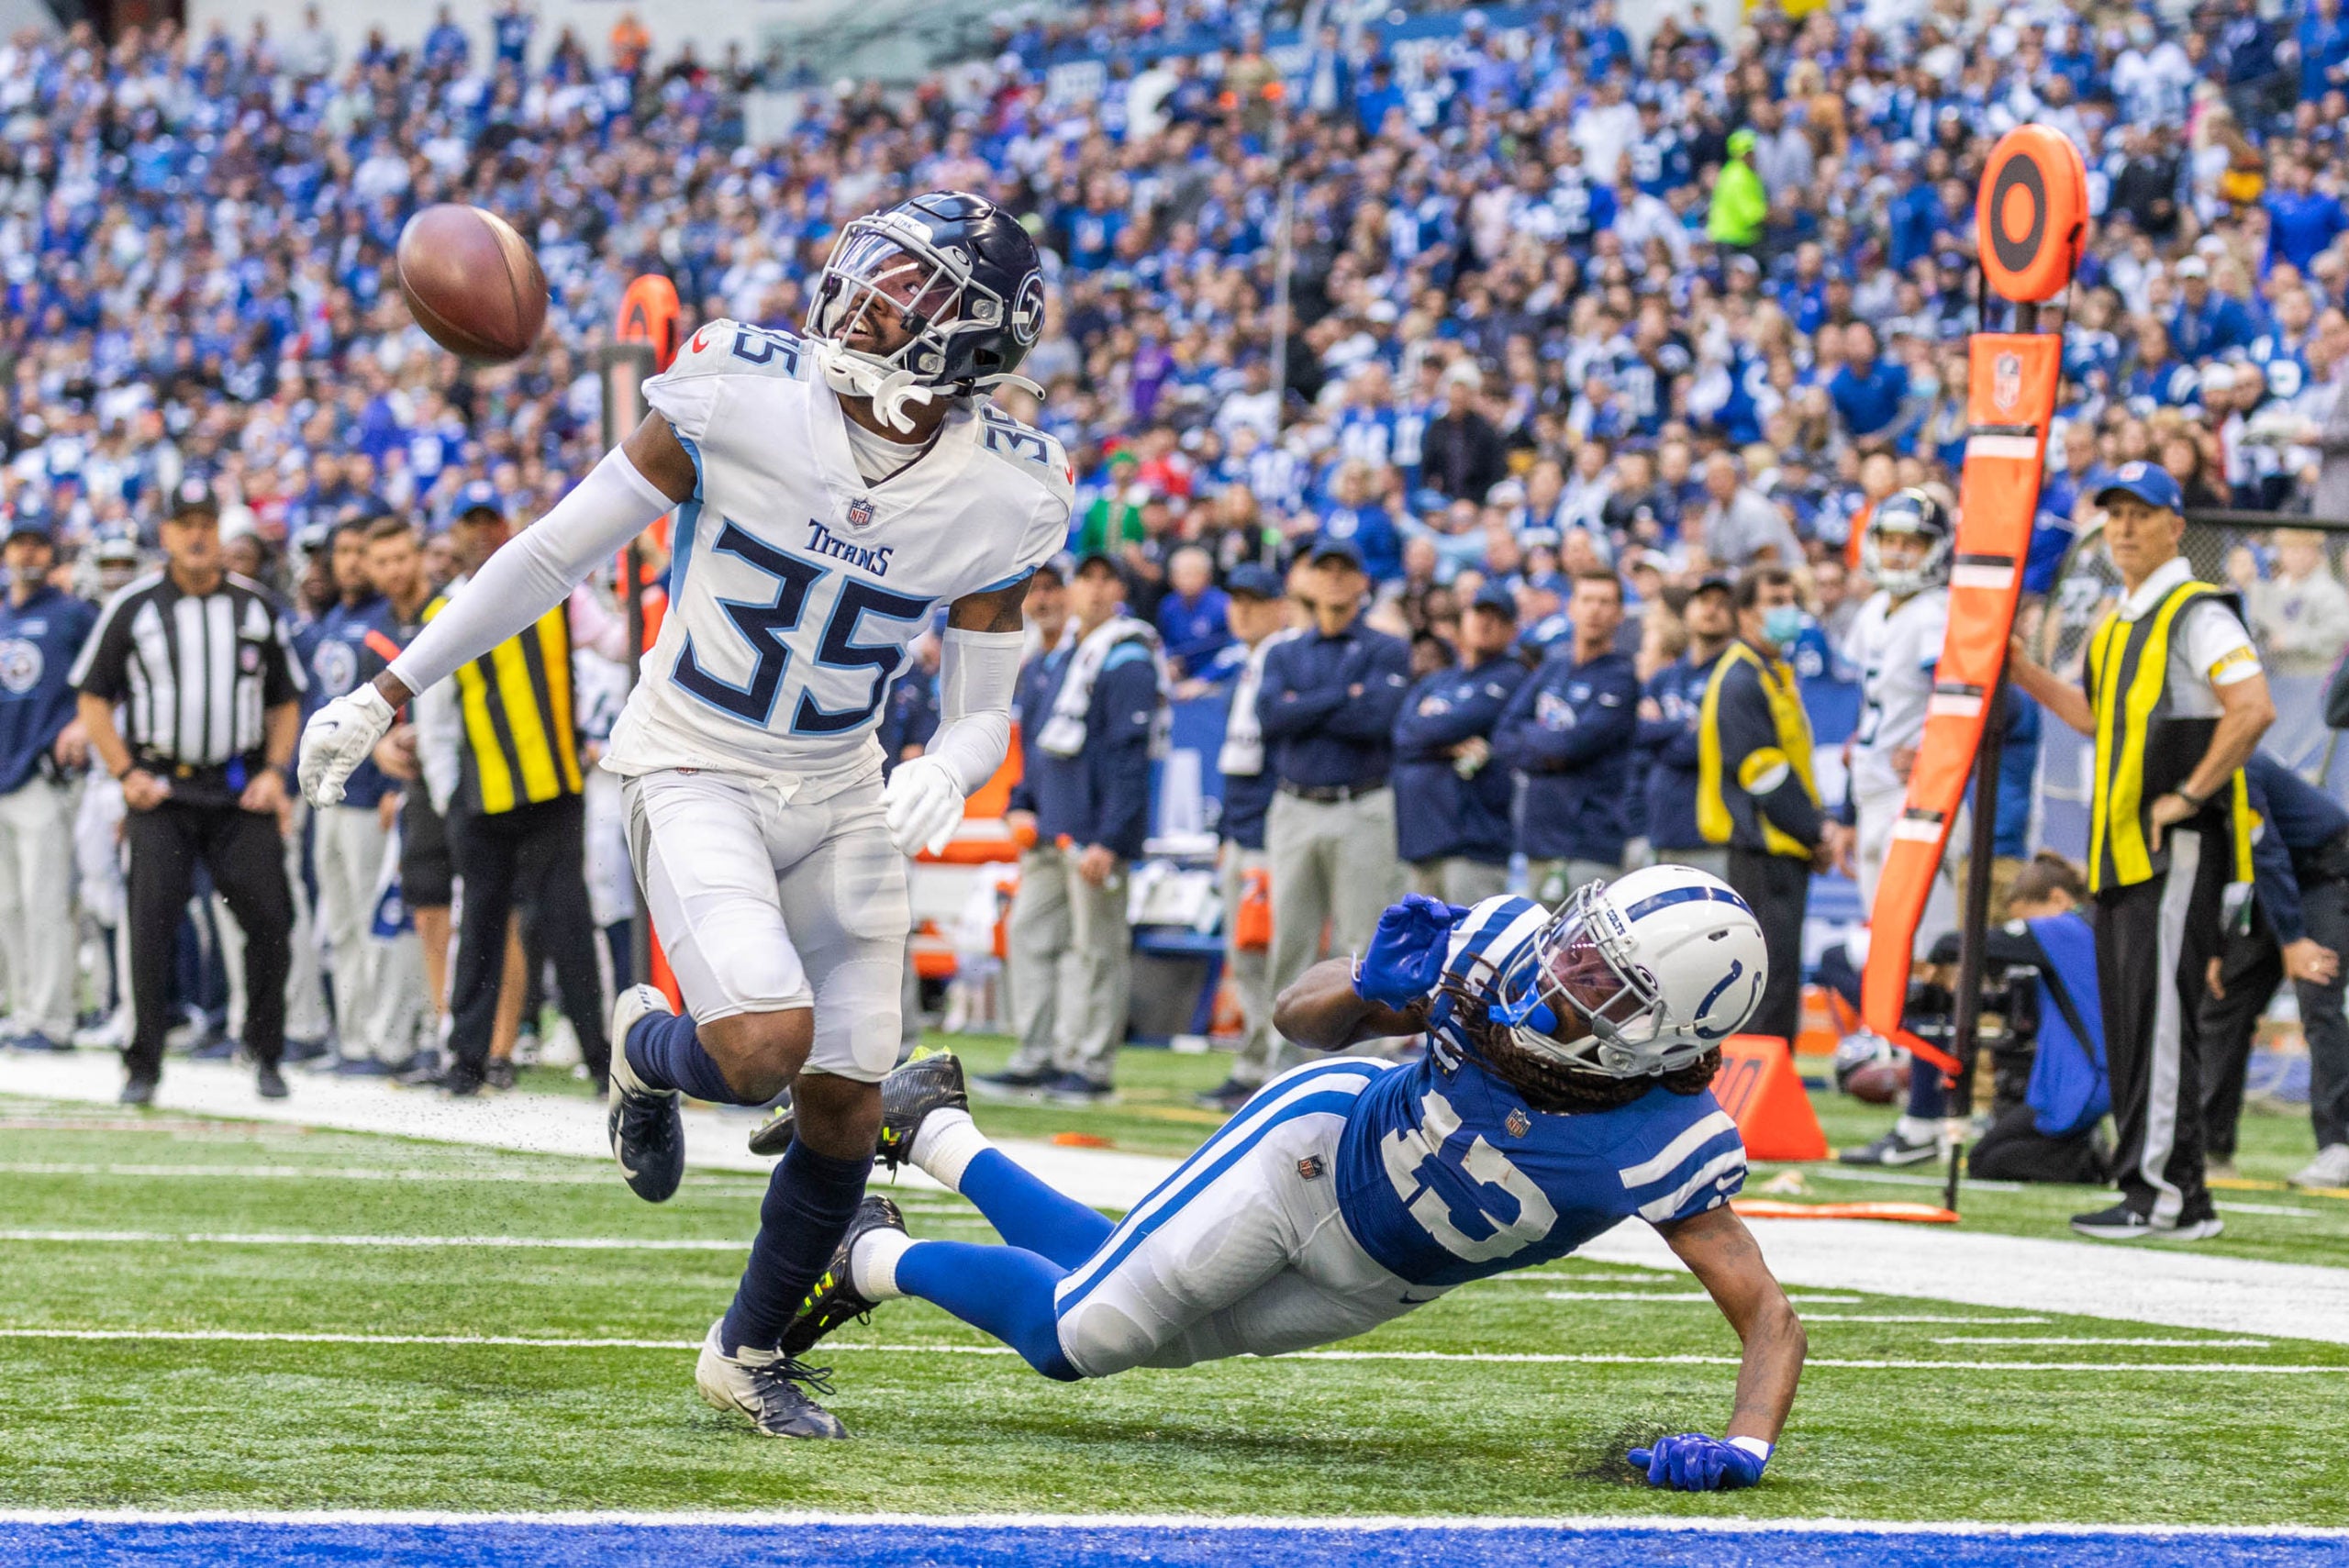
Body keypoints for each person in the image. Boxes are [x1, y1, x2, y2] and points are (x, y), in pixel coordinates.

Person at [296, 191, 1068, 1438]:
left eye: (910, 291)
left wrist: (957, 761)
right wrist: (390, 688)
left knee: (846, 1102)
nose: (865, 296)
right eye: (872, 268)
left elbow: (986, 699)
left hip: (840, 781)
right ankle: (645, 1047)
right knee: (763, 1042)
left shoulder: (1010, 490)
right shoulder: (741, 388)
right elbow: (554, 551)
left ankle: (745, 1348)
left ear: (974, 341)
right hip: (693, 758)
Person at [764, 870, 1803, 1496]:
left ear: (1662, 1035)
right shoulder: (1498, 944)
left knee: (1116, 1296)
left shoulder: (1667, 1141)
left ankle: (932, 1125)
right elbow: (1295, 1022)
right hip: (1313, 1147)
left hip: (1376, 1279)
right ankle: (870, 1253)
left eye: (1599, 982)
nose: (1559, 973)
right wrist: (1364, 987)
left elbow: (1768, 1317)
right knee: (1080, 1334)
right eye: (1580, 944)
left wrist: (1744, 1447)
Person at [2007, 462, 2275, 1241]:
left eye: (2139, 512)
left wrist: (2189, 795)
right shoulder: (2119, 618)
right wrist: (2024, 672)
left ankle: (2163, 1192)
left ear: (2173, 525)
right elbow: (2093, 718)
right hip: (2119, 851)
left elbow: (2252, 707)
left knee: (2158, 1021)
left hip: (2174, 849)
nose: (2123, 527)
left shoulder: (2197, 612)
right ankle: (2162, 1187)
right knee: (2134, 1021)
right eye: (2113, 513)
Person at [72, 479, 306, 1105]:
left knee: (270, 921)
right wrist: (125, 772)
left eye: (207, 521)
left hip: (237, 789)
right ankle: (142, 1063)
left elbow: (287, 700)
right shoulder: (134, 605)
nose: (198, 534)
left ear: (219, 531)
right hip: (163, 792)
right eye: (185, 523)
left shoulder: (256, 606)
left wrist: (273, 772)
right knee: (150, 927)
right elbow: (93, 695)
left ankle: (266, 1050)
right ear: (168, 534)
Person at [401, 485, 621, 1098]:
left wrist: (654, 590)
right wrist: (450, 797)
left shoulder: (557, 591)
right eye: (469, 524)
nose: (480, 534)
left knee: (569, 924)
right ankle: (466, 1059)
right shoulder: (445, 608)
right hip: (482, 795)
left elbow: (614, 642)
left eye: (489, 521)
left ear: (504, 526)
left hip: (553, 790)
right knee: (482, 928)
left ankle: (601, 1060)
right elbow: (438, 717)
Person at [974, 553, 1163, 1105]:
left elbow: (1132, 758)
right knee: (1030, 936)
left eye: (1108, 580)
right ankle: (1039, 1054)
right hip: (1049, 827)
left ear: (1121, 592)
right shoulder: (1057, 659)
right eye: (1089, 578)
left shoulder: (1127, 658)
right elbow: (1035, 749)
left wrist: (1110, 837)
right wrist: (1020, 802)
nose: (1096, 589)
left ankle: (1089, 1064)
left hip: (1090, 833)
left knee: (1096, 950)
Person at [1839, 490, 1962, 1167]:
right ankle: (1919, 1114)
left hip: (1922, 801)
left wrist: (1936, 752)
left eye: (1912, 542)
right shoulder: (1874, 614)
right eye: (1890, 539)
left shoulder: (1935, 614)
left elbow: (1960, 697)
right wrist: (1846, 811)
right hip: (1879, 797)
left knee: (1926, 962)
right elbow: (1869, 714)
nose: (1897, 553)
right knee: (1895, 959)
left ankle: (1928, 1117)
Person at [1257, 535, 1412, 1063]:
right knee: (1290, 942)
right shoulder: (1283, 651)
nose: (1335, 579)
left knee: (1362, 945)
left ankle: (1359, 1071)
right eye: (1324, 569)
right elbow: (1272, 718)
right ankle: (1280, 1070)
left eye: (1346, 570)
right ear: (1306, 579)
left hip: (1361, 804)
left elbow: (1375, 720)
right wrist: (1339, 698)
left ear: (1364, 581)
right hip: (1296, 803)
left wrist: (1307, 705)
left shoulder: (1386, 648)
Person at [1696, 566, 1851, 1047]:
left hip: (1785, 849)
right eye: (1774, 601)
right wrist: (1819, 831)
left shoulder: (1771, 673)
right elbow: (1765, 775)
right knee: (1767, 984)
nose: (1787, 611)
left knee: (1779, 980)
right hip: (1761, 849)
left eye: (1790, 600)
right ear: (1745, 615)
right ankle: (1759, 1094)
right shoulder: (1741, 678)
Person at [2198, 753, 2349, 1191]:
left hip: (2329, 873)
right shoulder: (2186, 771)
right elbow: (2216, 861)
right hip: (2278, 885)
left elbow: (2266, 851)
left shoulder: (2236, 762)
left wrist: (2293, 940)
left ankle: (2338, 1148)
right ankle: (2211, 1149)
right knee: (2224, 996)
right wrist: (2214, 947)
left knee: (2318, 991)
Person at [1191, 562, 1298, 1112]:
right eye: (1235, 601)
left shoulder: (1286, 659)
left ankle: (1272, 1065)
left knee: (1272, 952)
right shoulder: (1247, 664)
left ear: (1281, 606)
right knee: (1247, 953)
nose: (1242, 610)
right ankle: (1253, 1059)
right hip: (1242, 825)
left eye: (1255, 601)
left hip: (1270, 827)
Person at [303, 517, 405, 1072]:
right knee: (339, 921)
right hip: (329, 796)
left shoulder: (383, 623)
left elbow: (402, 708)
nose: (349, 562)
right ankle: (352, 1037)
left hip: (370, 793)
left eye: (357, 551)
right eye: (340, 551)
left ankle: (384, 1037)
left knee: (374, 919)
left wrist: (393, 784)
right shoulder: (331, 622)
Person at [0, 505, 97, 1051]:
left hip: (42, 772)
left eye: (38, 543)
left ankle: (54, 1018)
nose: (28, 553)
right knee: (8, 906)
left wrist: (84, 721)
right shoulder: (3, 616)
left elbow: (108, 679)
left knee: (46, 901)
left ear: (53, 551)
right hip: (3, 771)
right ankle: (21, 1008)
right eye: (19, 543)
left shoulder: (73, 615)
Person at [1496, 571, 1641, 904]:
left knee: (1584, 954)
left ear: (1620, 614)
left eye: (1606, 602)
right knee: (1534, 950)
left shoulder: (1621, 676)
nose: (1595, 610)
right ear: (1571, 607)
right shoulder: (1552, 667)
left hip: (1591, 842)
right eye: (1587, 600)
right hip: (1538, 838)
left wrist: (1536, 739)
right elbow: (1504, 733)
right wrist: (1549, 748)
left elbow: (1572, 745)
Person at [1392, 582, 1524, 907]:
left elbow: (1461, 721)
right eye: (1479, 613)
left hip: (1474, 841)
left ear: (1512, 630)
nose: (1486, 622)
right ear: (1463, 619)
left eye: (1497, 617)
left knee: (1469, 953)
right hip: (1421, 840)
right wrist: (1446, 746)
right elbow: (1402, 734)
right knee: (1420, 952)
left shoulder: (1512, 676)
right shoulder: (1439, 680)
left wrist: (1431, 734)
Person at [1640, 576, 1735, 880]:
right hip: (1661, 832)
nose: (1711, 610)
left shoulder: (1737, 675)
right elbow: (1638, 733)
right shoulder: (1664, 677)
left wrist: (1662, 731)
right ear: (1687, 610)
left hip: (1714, 839)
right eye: (1703, 602)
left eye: (1722, 604)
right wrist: (1684, 727)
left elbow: (1708, 745)